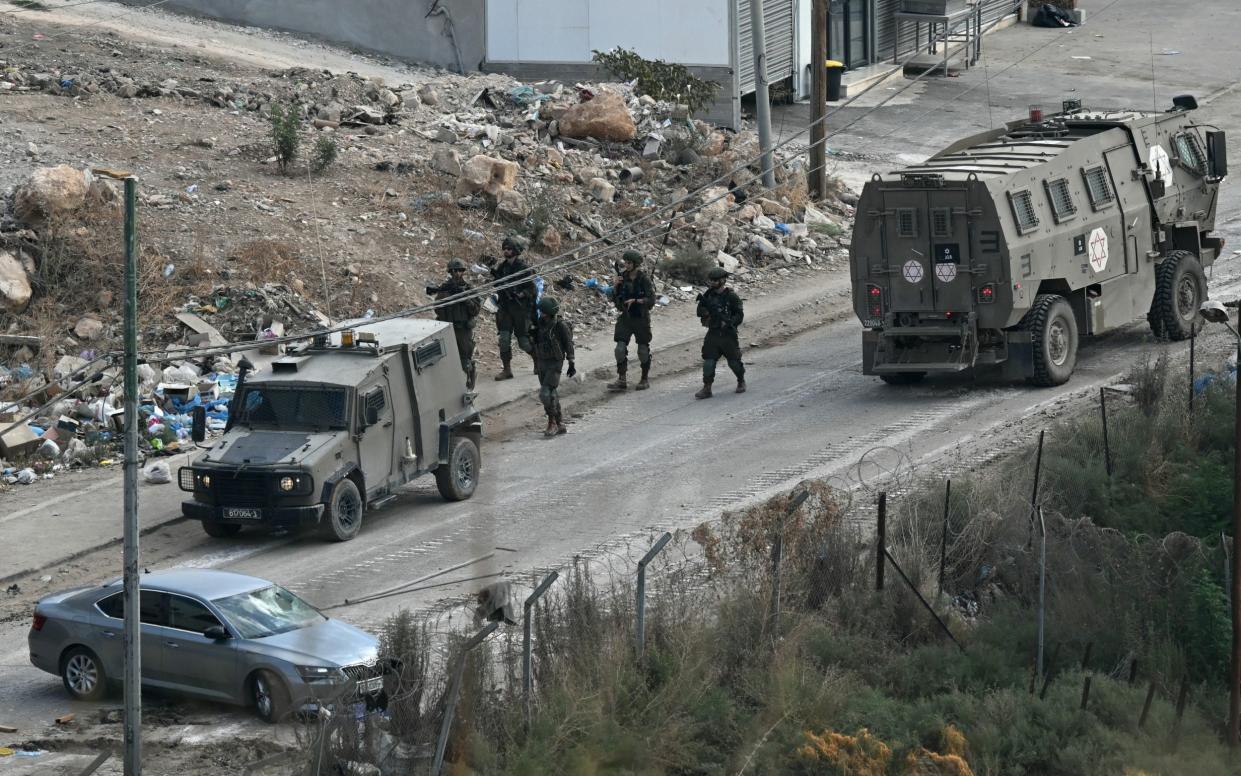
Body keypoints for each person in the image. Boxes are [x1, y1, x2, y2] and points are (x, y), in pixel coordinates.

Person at [482, 235, 537, 380]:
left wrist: (520, 295)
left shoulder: (524, 268)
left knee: (524, 342)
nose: (506, 251)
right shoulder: (502, 267)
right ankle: (507, 370)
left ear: (516, 251)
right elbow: (498, 285)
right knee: (504, 339)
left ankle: (537, 359)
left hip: (520, 310)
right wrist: (496, 279)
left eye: (509, 249)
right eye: (504, 249)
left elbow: (532, 289)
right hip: (505, 309)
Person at [607, 250, 657, 392]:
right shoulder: (622, 278)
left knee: (642, 349)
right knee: (620, 349)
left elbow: (652, 300)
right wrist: (615, 286)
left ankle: (644, 378)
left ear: (635, 264)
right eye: (625, 262)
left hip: (640, 317)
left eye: (629, 263)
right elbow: (616, 301)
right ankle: (622, 379)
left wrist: (636, 301)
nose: (626, 265)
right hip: (626, 318)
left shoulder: (644, 280)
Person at [430, 257, 481, 390]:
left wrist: (465, 298)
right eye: (454, 271)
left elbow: (475, 310)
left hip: (463, 330)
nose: (457, 274)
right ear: (450, 272)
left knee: (465, 360)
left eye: (459, 271)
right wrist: (448, 295)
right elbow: (437, 308)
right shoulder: (446, 288)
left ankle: (470, 378)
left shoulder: (468, 288)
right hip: (448, 328)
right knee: (447, 358)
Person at [695, 267, 746, 399]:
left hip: (728, 334)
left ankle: (741, 380)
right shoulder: (708, 295)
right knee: (708, 362)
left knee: (734, 362)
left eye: (715, 280)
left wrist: (730, 323)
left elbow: (739, 315)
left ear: (722, 280)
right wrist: (706, 314)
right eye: (711, 280)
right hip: (713, 333)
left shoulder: (731, 296)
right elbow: (699, 310)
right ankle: (707, 388)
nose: (712, 283)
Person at [533, 296, 575, 437]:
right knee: (551, 394)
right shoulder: (539, 324)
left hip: (555, 363)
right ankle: (559, 422)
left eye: (542, 311)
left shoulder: (559, 326)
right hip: (542, 362)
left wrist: (571, 362)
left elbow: (569, 344)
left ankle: (552, 422)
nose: (541, 313)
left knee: (545, 393)